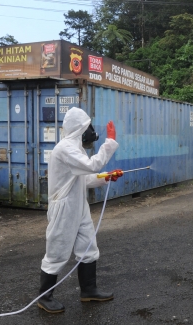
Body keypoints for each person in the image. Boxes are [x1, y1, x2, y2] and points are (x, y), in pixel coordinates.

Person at [38, 107, 121, 313]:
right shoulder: (66, 148)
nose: (91, 132)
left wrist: (105, 178)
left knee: (88, 246)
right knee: (57, 251)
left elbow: (84, 178)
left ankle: (89, 290)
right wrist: (109, 143)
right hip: (64, 207)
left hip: (78, 205)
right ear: (79, 129)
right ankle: (44, 297)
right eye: (87, 127)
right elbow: (93, 166)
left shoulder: (76, 148)